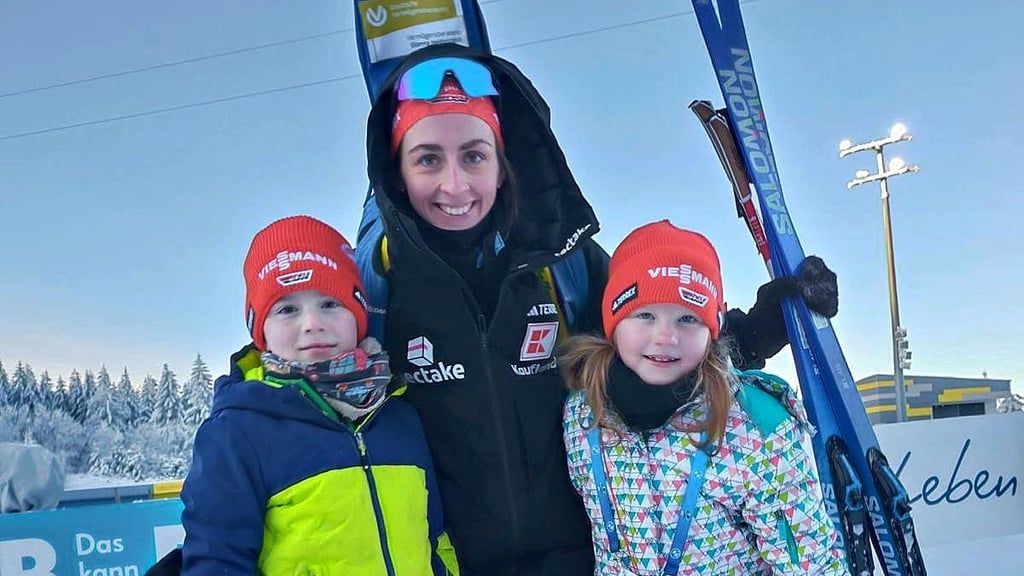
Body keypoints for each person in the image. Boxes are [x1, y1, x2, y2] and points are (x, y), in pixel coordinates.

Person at [359, 43, 838, 575]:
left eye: (474, 155)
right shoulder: (376, 284)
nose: (455, 185)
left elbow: (654, 334)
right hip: (450, 563)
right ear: (397, 171)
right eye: (428, 158)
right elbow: (309, 371)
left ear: (503, 164)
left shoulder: (561, 262)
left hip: (584, 559)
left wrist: (763, 327)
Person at [560, 220, 848, 575]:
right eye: (645, 315)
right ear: (613, 321)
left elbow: (809, 565)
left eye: (687, 318)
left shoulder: (754, 430)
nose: (665, 336)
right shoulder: (582, 416)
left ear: (713, 329)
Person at [178, 215, 457, 576]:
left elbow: (434, 538)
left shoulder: (399, 416)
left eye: (330, 304)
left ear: (358, 311)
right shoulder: (238, 432)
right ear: (258, 327)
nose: (312, 323)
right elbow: (217, 562)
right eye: (287, 309)